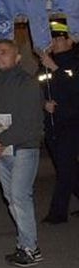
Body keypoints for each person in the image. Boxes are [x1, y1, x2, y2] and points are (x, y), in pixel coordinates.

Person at [0, 40, 45, 267]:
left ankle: (30, 247)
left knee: (19, 196)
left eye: (4, 52)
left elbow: (29, 121)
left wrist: (0, 141)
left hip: (22, 147)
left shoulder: (27, 84)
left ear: (17, 58)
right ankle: (26, 243)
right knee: (12, 199)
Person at [38, 20, 79, 224]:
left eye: (58, 38)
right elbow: (40, 90)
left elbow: (75, 89)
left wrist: (54, 68)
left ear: (70, 40)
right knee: (69, 167)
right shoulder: (45, 64)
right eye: (52, 38)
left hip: (72, 123)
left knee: (64, 168)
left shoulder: (74, 62)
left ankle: (58, 213)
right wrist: (43, 103)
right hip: (52, 123)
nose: (54, 42)